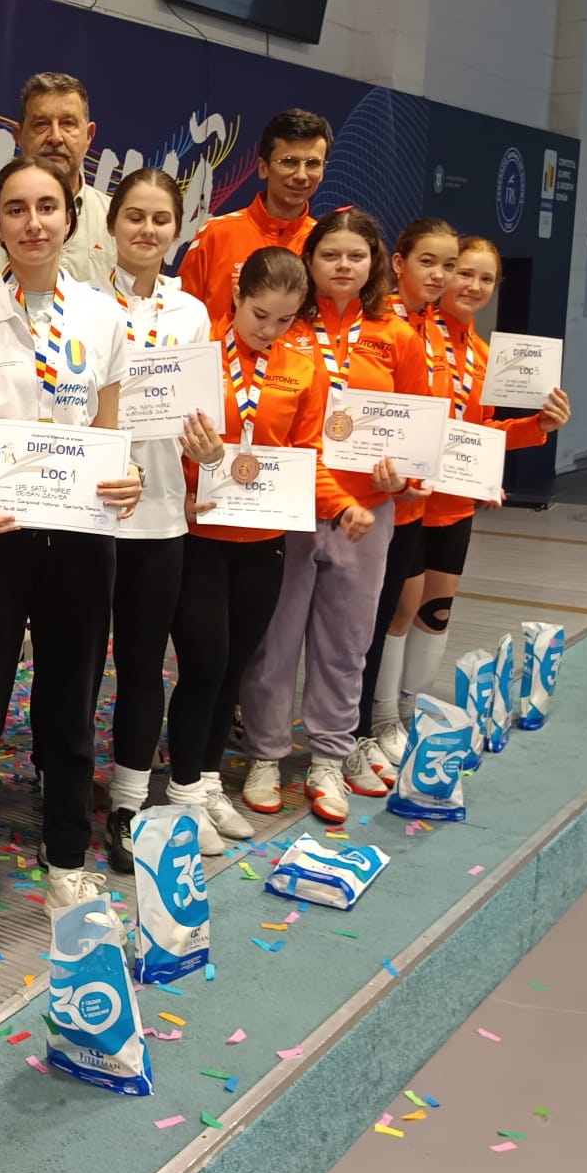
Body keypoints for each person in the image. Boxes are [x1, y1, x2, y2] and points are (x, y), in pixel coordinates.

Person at [0, 157, 143, 976]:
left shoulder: (103, 316)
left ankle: (68, 866)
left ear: (70, 216)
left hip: (80, 538)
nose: (33, 223)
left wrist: (128, 478)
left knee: (68, 708)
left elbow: (110, 436)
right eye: (15, 209)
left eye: (47, 207)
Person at [235, 207, 423, 825]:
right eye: (330, 254)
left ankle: (329, 756)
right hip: (287, 508)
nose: (343, 265)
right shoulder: (282, 327)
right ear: (309, 260)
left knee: (346, 642)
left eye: (356, 256)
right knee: (275, 641)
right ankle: (265, 754)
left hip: (365, 511)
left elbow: (420, 428)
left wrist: (405, 479)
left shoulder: (397, 335)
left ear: (374, 264)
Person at [370, 237, 572, 757]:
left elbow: (478, 432)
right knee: (399, 611)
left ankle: (414, 713)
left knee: (436, 611)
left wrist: (536, 427)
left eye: (486, 279)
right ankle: (383, 717)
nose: (473, 286)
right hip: (407, 500)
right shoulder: (412, 333)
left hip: (454, 503)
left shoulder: (484, 355)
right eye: (463, 273)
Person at [165, 247, 320, 836]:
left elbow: (308, 449)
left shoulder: (302, 366)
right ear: (237, 296)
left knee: (232, 667)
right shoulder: (198, 353)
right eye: (260, 315)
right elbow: (161, 435)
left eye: (285, 320)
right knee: (203, 663)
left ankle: (208, 783)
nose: (270, 330)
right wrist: (181, 480)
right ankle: (183, 790)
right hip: (199, 532)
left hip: (264, 537)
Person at [98, 168, 223, 872]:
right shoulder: (82, 302)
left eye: (161, 219)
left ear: (178, 230)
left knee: (142, 666)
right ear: (111, 224)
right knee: (76, 666)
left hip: (160, 517)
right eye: (135, 217)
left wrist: (207, 449)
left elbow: (201, 419)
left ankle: (127, 801)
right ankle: (60, 783)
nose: (147, 230)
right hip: (89, 512)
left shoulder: (191, 313)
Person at [346, 219, 459, 795]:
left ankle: (377, 722)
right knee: (361, 626)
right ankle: (358, 729)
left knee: (395, 613)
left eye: (448, 266)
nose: (439, 276)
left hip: (415, 504)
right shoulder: (378, 324)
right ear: (398, 263)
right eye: (428, 262)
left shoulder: (437, 330)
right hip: (365, 500)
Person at [0, 73, 117, 286]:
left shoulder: (116, 220)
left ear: (89, 136)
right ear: (18, 135)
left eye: (68, 123)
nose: (56, 137)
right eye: (41, 124)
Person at [176, 109, 333, 316]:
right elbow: (180, 318)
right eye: (289, 161)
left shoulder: (325, 244)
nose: (301, 176)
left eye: (313, 164)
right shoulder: (216, 233)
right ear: (263, 168)